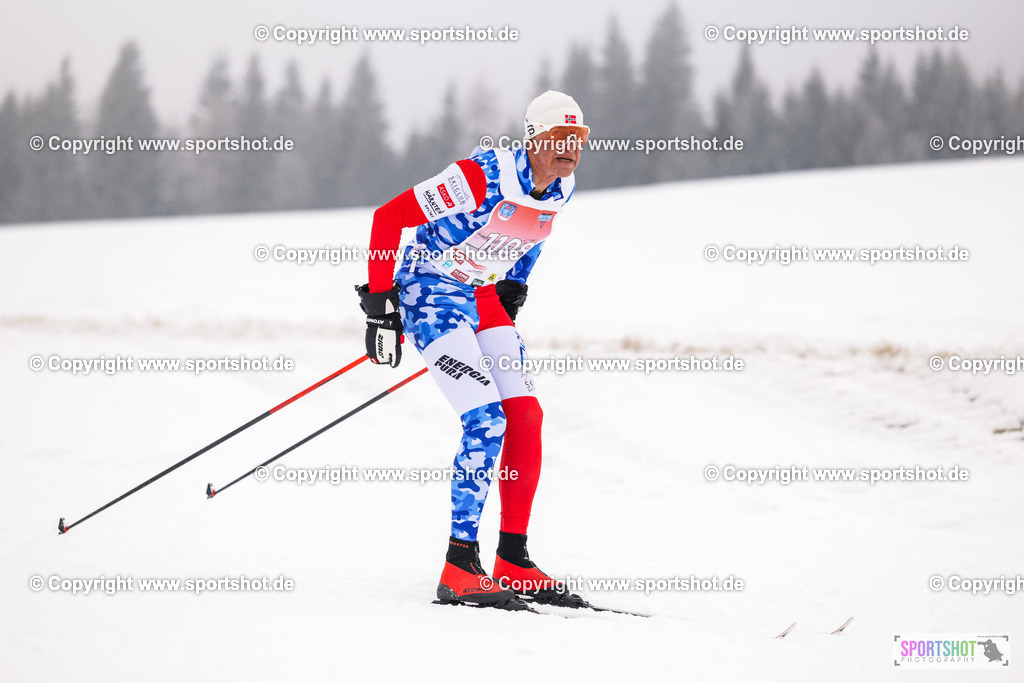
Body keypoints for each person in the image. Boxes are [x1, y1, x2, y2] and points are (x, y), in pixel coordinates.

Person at [356, 91, 590, 610]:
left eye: (577, 139)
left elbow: (535, 230)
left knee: (525, 416)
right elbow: (388, 217)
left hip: (482, 292)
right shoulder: (477, 177)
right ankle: (459, 566)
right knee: (486, 419)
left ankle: (513, 559)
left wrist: (517, 282)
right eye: (558, 138)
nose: (569, 149)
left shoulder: (562, 186)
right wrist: (379, 305)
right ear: (534, 139)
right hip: (431, 289)